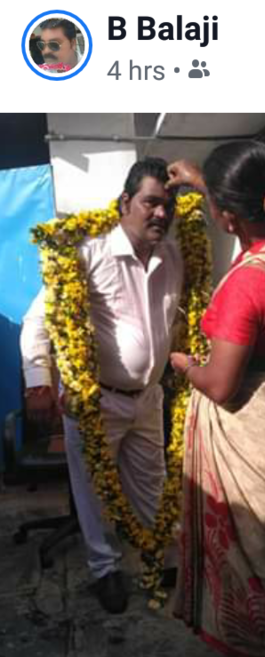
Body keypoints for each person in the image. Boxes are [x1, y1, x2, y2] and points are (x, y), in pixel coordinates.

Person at [167, 140, 265, 657]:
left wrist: (185, 364)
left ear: (227, 217)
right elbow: (252, 220)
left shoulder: (247, 285)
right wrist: (205, 184)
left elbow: (221, 385)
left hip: (252, 419)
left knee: (253, 541)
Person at [21, 157, 183, 614]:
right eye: (151, 202)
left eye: (168, 205)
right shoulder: (88, 252)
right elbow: (37, 321)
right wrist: (38, 382)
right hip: (97, 401)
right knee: (93, 491)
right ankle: (104, 569)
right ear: (125, 202)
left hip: (149, 397)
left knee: (152, 484)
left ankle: (160, 557)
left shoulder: (174, 255)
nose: (161, 213)